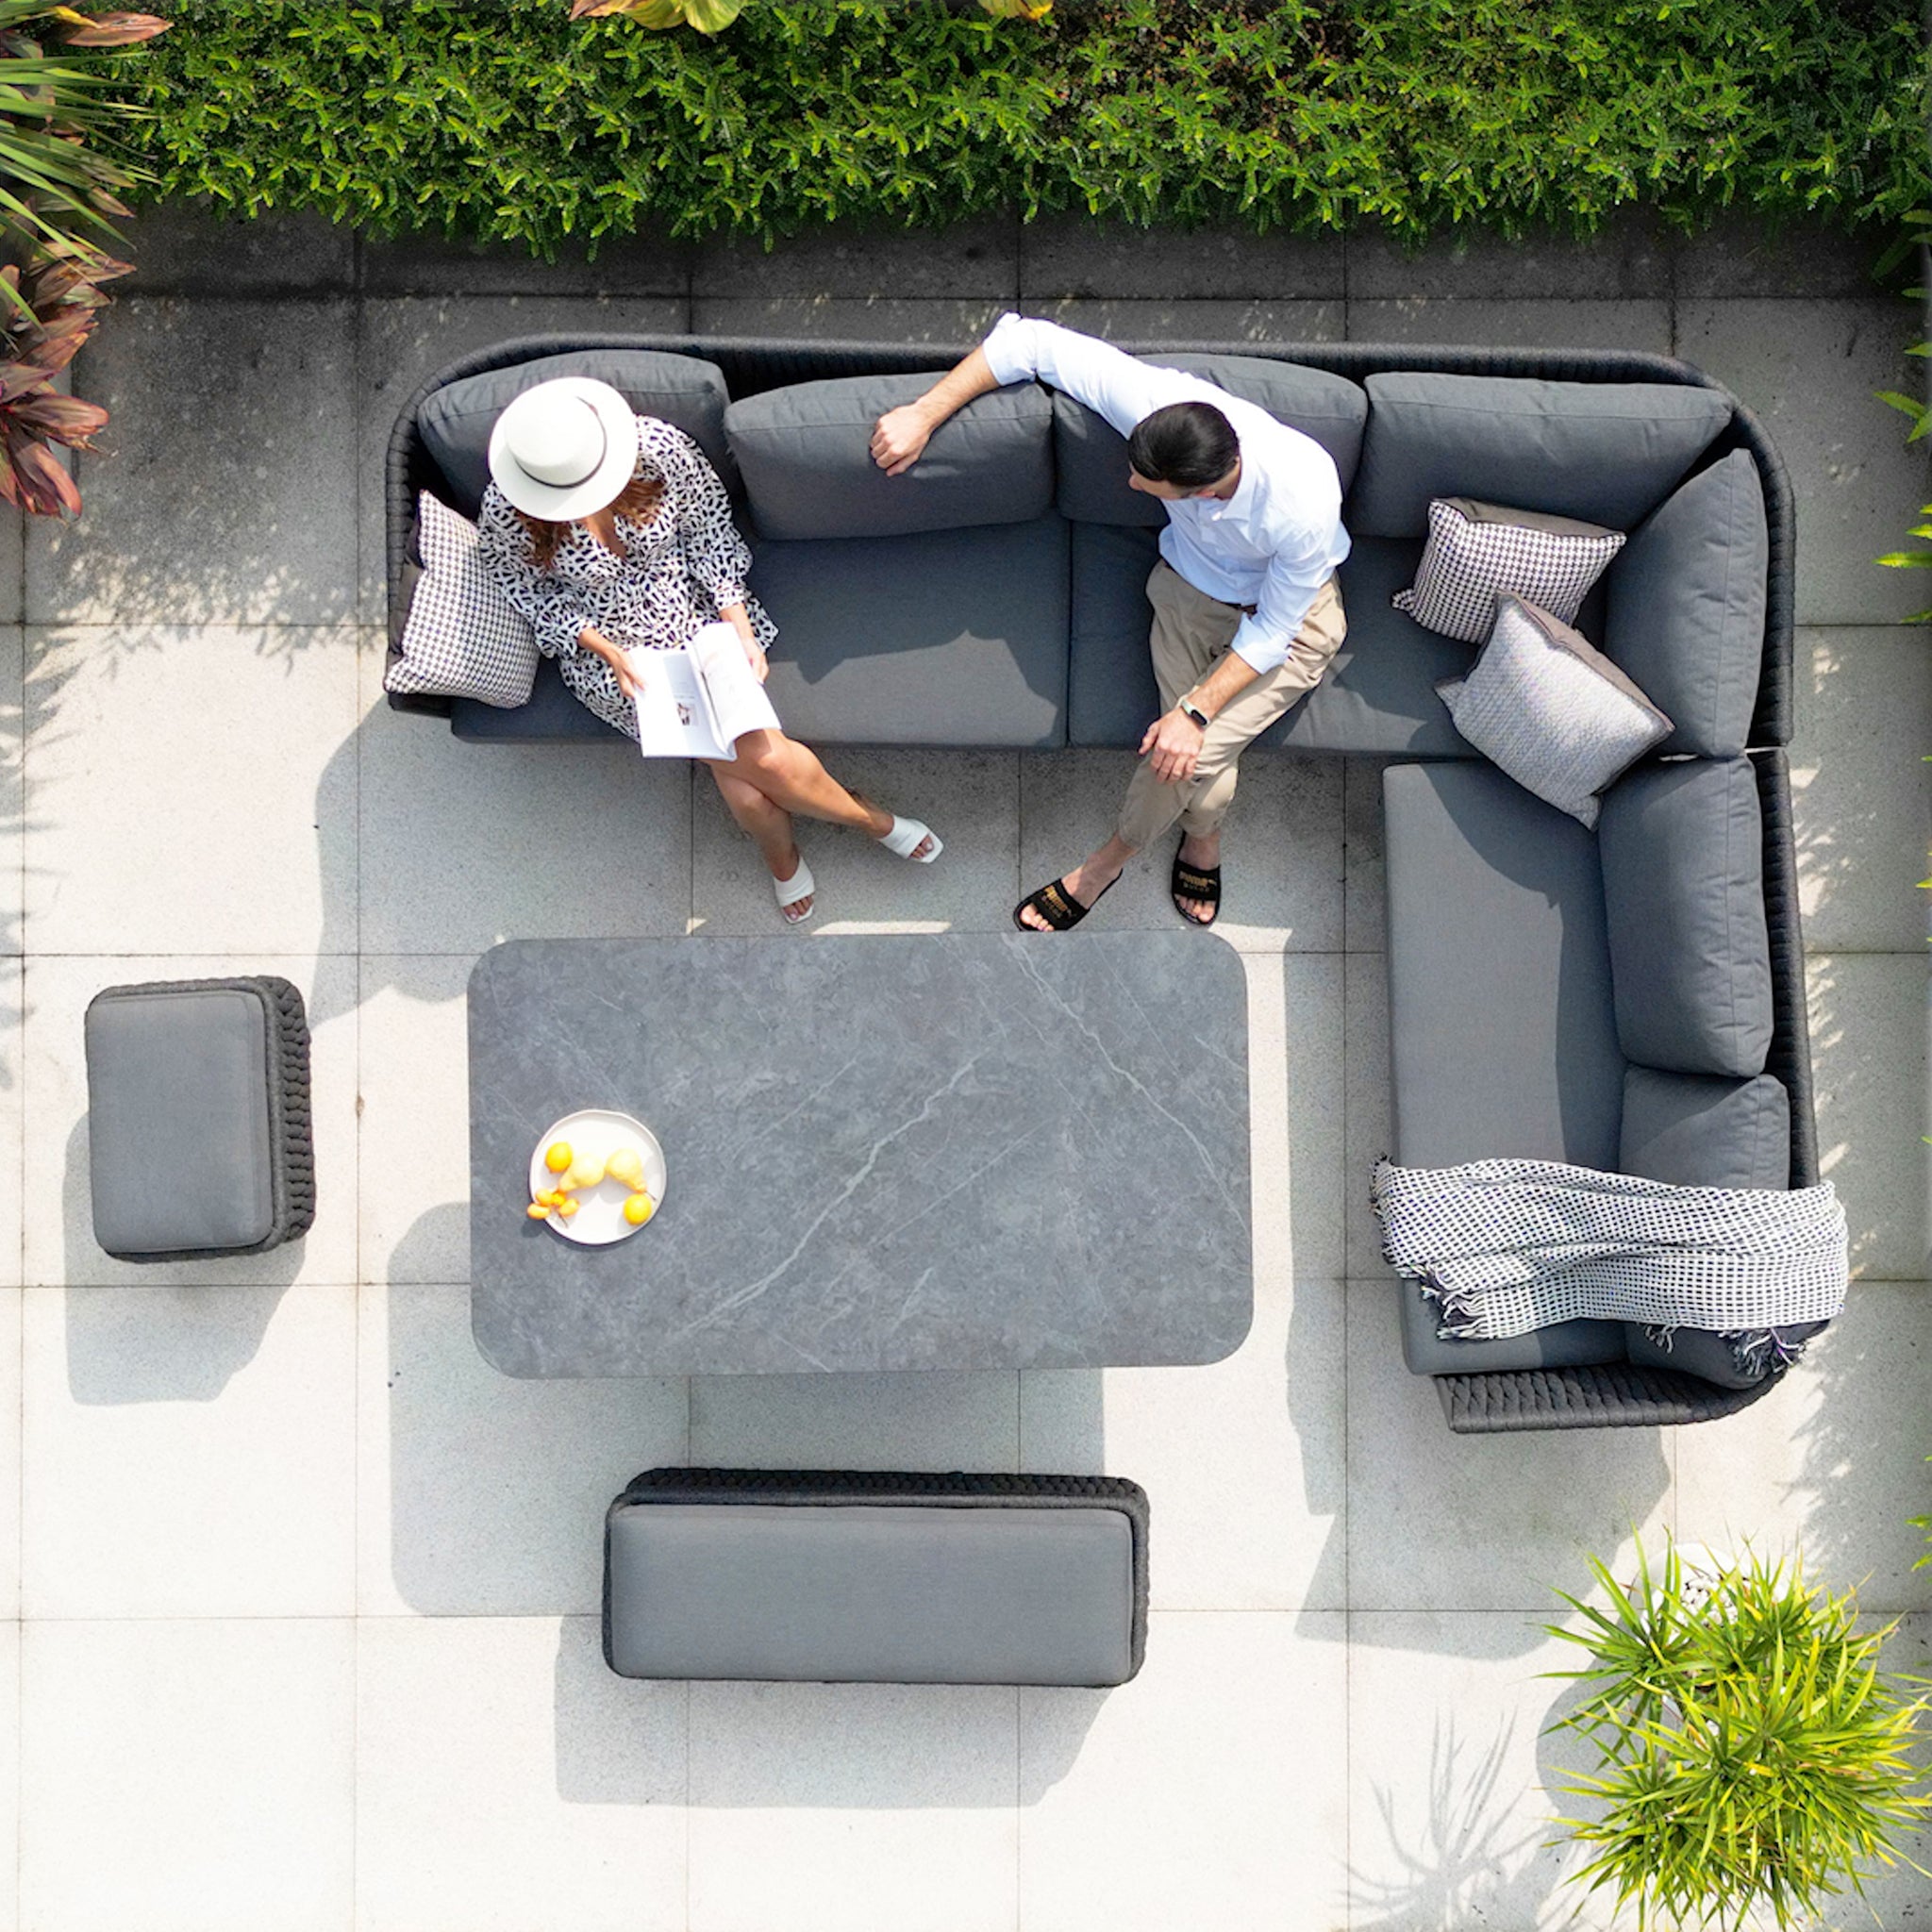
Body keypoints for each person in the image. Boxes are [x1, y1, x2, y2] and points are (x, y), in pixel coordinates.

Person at [870, 315, 1347, 932]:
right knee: (1195, 779)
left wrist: (1193, 712)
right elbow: (1028, 342)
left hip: (1291, 623)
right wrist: (922, 414)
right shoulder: (1163, 406)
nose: (1129, 483)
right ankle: (1204, 840)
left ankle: (1100, 868)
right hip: (1190, 598)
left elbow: (1274, 632)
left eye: (1147, 485)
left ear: (1199, 493)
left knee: (1181, 758)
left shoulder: (1302, 502)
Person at [477, 376, 940, 924]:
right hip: (621, 665)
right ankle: (868, 819)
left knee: (752, 787)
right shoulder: (510, 507)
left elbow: (710, 533)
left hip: (699, 623)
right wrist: (605, 650)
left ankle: (785, 855)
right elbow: (527, 592)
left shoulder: (656, 449)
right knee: (757, 773)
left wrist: (738, 626)